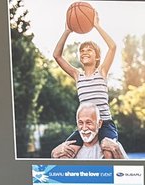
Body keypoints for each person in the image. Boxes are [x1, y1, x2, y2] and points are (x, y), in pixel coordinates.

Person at [53, 10, 119, 147]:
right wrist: (67, 31)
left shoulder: (102, 72)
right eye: (82, 51)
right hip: (85, 126)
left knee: (108, 148)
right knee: (65, 151)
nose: (84, 52)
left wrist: (97, 25)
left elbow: (112, 47)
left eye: (89, 50)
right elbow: (57, 56)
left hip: (105, 124)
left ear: (97, 57)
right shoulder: (77, 75)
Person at [51, 104, 128, 160]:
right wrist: (53, 155)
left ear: (99, 124)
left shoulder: (112, 145)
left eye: (88, 123)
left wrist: (118, 153)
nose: (84, 128)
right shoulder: (68, 148)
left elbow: (129, 177)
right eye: (80, 123)